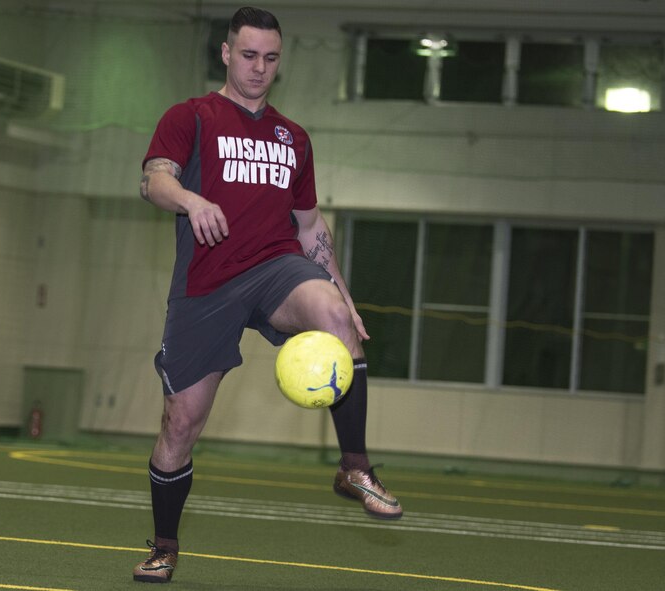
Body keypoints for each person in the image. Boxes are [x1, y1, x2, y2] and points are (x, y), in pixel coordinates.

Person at [132, 7, 402, 584]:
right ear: (227, 53)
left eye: (271, 58)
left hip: (276, 266)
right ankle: (164, 544)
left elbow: (309, 228)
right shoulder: (192, 115)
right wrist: (191, 200)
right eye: (248, 55)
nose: (259, 68)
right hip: (207, 283)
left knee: (334, 316)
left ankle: (354, 466)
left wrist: (343, 295)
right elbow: (153, 179)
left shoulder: (293, 137)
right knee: (180, 425)